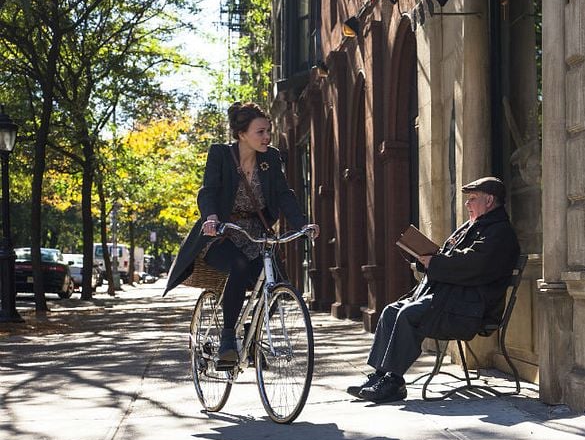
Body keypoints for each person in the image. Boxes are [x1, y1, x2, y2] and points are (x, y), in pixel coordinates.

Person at [164, 102, 319, 365]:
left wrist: (302, 224)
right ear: (241, 134)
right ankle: (227, 340)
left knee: (278, 282)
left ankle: (251, 332)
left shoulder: (270, 158)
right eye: (260, 132)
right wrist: (211, 218)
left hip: (256, 234)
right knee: (238, 264)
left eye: (268, 131)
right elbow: (208, 191)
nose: (267, 137)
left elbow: (284, 195)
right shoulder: (221, 155)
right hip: (223, 233)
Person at [349, 177, 521, 403]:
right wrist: (427, 259)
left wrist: (435, 262)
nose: (467, 204)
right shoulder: (475, 226)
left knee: (408, 314)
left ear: (489, 200)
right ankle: (380, 376)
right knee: (391, 310)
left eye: (472, 199)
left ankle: (394, 382)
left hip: (470, 310)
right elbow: (450, 257)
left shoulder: (499, 233)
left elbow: (473, 265)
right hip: (451, 300)